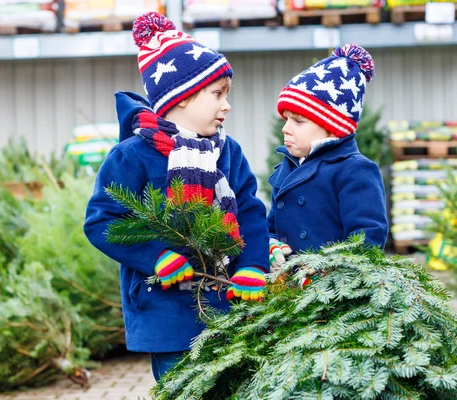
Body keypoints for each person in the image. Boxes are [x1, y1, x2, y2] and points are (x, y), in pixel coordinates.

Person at [83, 12, 269, 380]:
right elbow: (102, 222)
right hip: (163, 309)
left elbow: (249, 212)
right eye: (217, 94)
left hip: (224, 300)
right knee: (180, 386)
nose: (226, 105)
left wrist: (252, 266)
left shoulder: (228, 152)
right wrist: (156, 256)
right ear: (181, 97)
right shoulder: (132, 156)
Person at [267, 44, 388, 270]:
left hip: (334, 291)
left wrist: (330, 273)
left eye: (298, 121)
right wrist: (271, 245)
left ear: (332, 127)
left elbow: (367, 238)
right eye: (286, 120)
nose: (286, 128)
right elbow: (272, 226)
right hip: (287, 286)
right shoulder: (287, 168)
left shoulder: (354, 170)